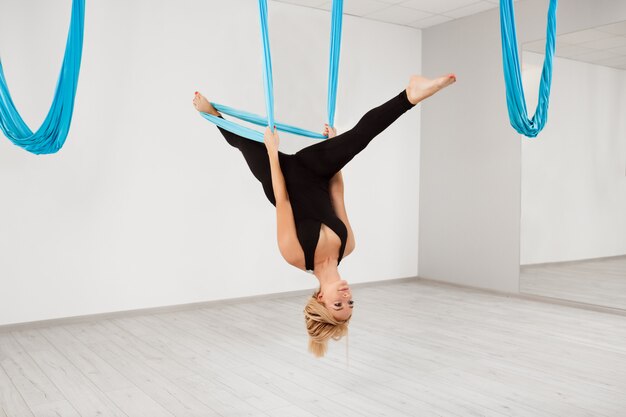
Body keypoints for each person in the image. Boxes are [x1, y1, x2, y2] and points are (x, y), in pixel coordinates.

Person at [192, 74, 456, 357]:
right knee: (357, 140)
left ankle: (212, 114)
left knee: (243, 142)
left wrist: (271, 152)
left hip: (279, 178)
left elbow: (282, 201)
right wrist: (337, 150)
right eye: (350, 304)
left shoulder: (295, 255)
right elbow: (337, 196)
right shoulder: (348, 246)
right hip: (315, 172)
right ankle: (410, 94)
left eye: (338, 305)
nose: (346, 298)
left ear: (320, 298)